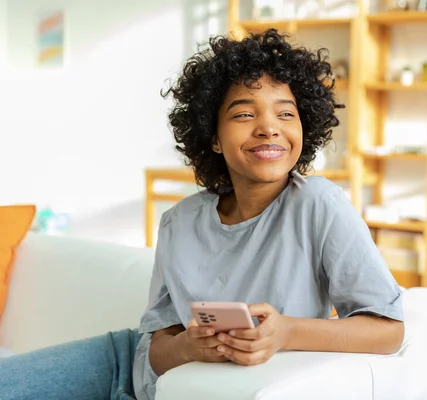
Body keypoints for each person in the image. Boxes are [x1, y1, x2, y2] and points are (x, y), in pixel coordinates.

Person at [0, 29, 404, 400]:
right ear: (213, 137)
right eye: (245, 114)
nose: (268, 128)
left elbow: (389, 330)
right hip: (125, 368)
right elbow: (154, 349)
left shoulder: (318, 204)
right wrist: (187, 346)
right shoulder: (179, 221)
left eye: (285, 113)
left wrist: (287, 332)